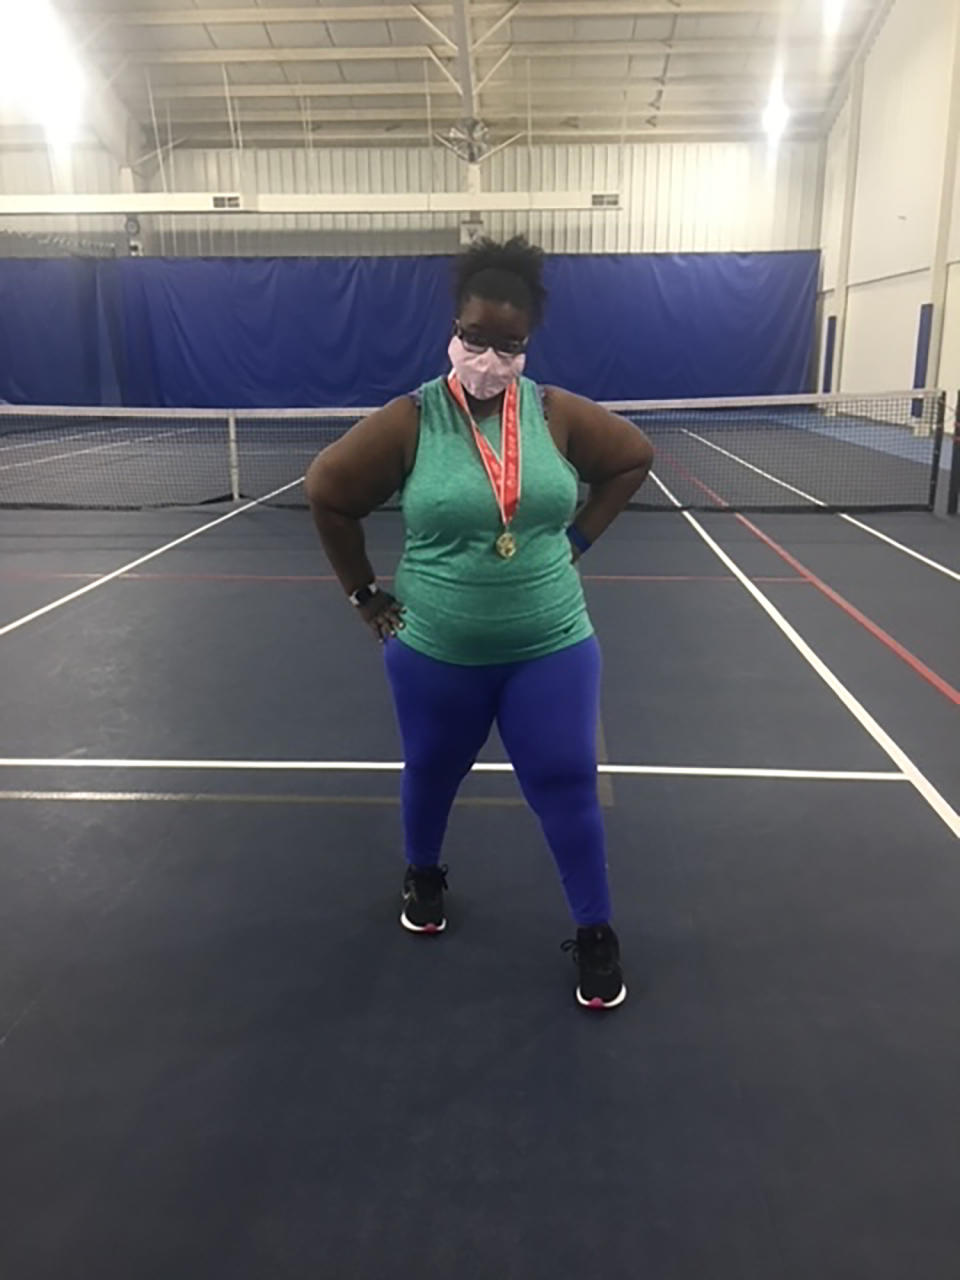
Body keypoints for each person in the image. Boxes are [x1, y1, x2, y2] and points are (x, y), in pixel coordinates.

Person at [305, 236, 653, 1010]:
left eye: (509, 342)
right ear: (453, 329)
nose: (489, 355)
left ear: (528, 342)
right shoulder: (412, 420)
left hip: (552, 644)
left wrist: (580, 538)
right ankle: (422, 874)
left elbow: (633, 458)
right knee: (432, 770)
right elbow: (327, 492)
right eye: (475, 337)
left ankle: (595, 933)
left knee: (566, 783)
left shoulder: (555, 413)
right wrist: (364, 594)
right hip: (435, 649)